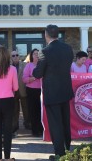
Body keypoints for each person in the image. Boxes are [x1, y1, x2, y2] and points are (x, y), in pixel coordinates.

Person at [32, 24, 74, 160]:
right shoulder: (68, 48)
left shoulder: (45, 51)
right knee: (65, 122)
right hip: (65, 91)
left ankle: (60, 154)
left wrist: (35, 67)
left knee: (56, 124)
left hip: (52, 93)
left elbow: (38, 73)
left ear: (46, 34)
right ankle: (67, 150)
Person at [22, 48, 43, 137]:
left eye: (38, 53)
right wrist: (34, 78)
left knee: (41, 111)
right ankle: (35, 130)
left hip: (41, 90)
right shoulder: (28, 66)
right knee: (33, 111)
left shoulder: (42, 65)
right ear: (31, 55)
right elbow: (24, 79)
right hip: (31, 91)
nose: (37, 55)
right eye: (35, 53)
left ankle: (42, 130)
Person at [11, 50, 30, 136]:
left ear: (19, 56)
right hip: (13, 91)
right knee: (14, 109)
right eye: (13, 55)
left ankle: (27, 124)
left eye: (17, 55)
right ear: (11, 57)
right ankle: (15, 125)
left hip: (23, 89)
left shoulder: (25, 65)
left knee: (26, 108)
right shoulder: (8, 66)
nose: (15, 57)